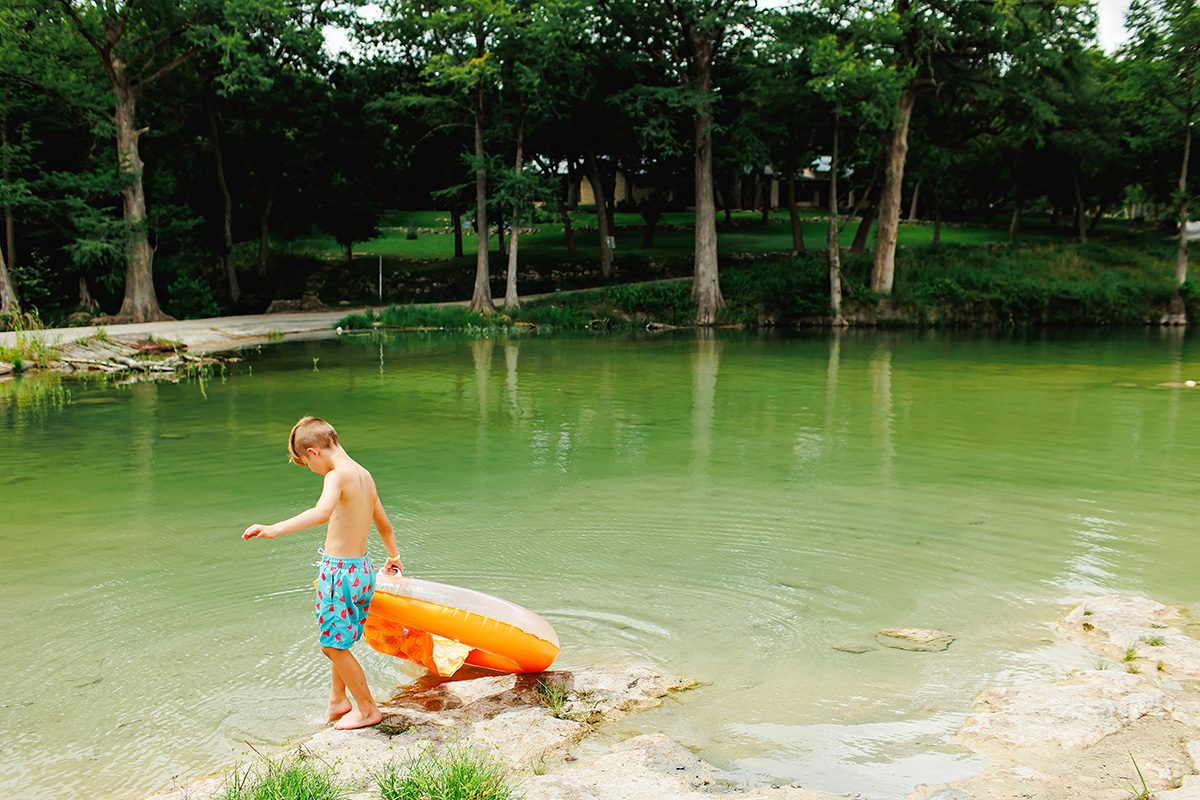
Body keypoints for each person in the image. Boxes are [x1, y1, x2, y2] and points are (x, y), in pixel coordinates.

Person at [241, 416, 403, 730]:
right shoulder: (364, 475)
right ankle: (337, 699)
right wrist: (394, 556)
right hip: (362, 572)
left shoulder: (335, 476)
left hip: (339, 573)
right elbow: (384, 523)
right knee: (340, 641)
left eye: (305, 462)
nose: (310, 469)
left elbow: (321, 512)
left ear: (314, 451)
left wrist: (274, 529)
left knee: (331, 646)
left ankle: (367, 709)